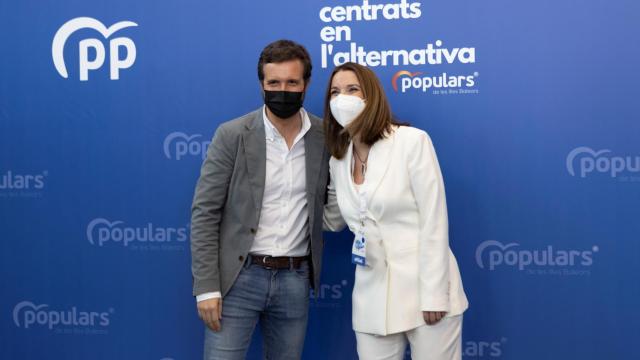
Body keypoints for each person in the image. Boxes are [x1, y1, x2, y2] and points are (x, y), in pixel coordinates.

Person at [190, 39, 338, 360]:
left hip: (295, 280)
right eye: (274, 82)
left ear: (306, 85)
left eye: (291, 82)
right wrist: (206, 288)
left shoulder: (325, 136)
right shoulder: (232, 135)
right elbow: (205, 213)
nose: (282, 89)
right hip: (238, 279)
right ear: (262, 85)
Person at [322, 62, 469, 360]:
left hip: (425, 292)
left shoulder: (411, 142)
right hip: (371, 297)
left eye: (352, 89)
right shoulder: (338, 161)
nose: (342, 98)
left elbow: (434, 220)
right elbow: (333, 219)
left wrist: (434, 294)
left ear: (371, 96)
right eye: (335, 92)